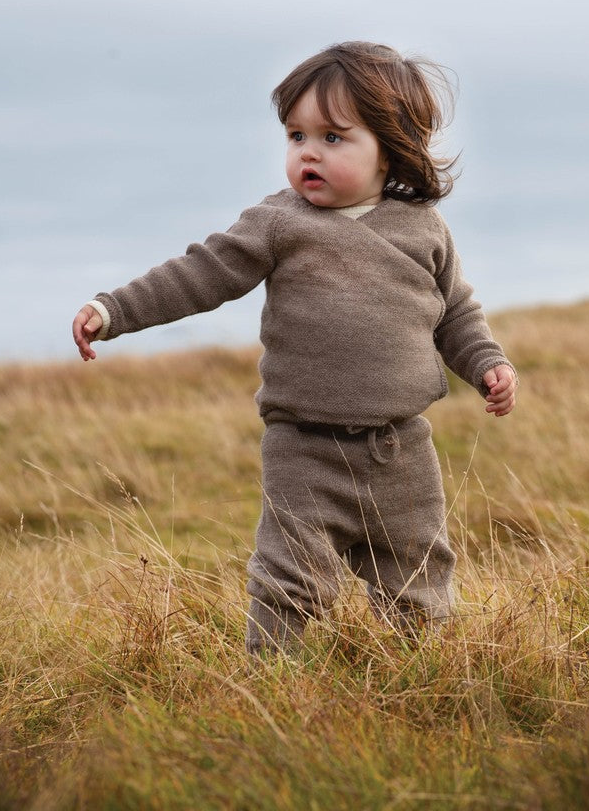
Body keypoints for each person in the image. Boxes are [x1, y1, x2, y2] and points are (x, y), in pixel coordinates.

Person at [72, 41, 517, 654]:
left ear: (390, 147)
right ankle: (271, 677)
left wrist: (487, 363)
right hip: (303, 447)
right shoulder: (280, 223)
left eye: (333, 137)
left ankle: (422, 672)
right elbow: (199, 274)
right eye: (296, 135)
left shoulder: (424, 229)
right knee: (289, 576)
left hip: (400, 447)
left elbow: (456, 313)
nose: (308, 151)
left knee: (418, 572)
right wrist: (113, 310)